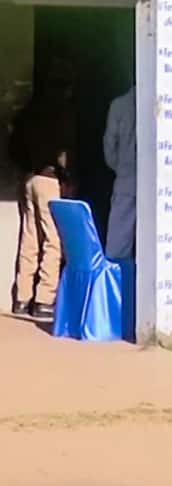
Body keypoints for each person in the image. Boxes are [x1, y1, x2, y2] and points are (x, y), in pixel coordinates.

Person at [9, 78, 76, 320]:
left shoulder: (28, 113)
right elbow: (63, 152)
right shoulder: (60, 113)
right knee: (53, 239)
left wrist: (27, 167)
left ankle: (22, 297)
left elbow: (13, 146)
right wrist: (67, 177)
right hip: (49, 179)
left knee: (29, 238)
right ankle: (44, 300)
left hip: (29, 178)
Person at [103, 85, 136, 261]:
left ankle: (119, 286)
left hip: (125, 181)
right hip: (158, 185)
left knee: (118, 246)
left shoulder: (119, 105)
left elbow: (109, 145)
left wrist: (122, 168)